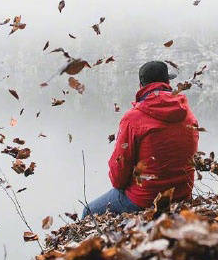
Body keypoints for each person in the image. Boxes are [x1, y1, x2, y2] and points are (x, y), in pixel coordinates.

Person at [82, 60, 199, 217]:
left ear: (141, 86)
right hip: (182, 194)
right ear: (168, 82)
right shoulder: (187, 112)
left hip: (146, 199)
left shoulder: (133, 118)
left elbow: (118, 178)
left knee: (89, 211)